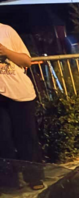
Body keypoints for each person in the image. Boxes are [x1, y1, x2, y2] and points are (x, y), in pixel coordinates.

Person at [0, 23, 44, 189]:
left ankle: (34, 178)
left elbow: (27, 61)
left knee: (26, 138)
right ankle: (9, 183)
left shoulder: (6, 31)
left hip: (20, 92)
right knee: (3, 140)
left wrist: (6, 52)